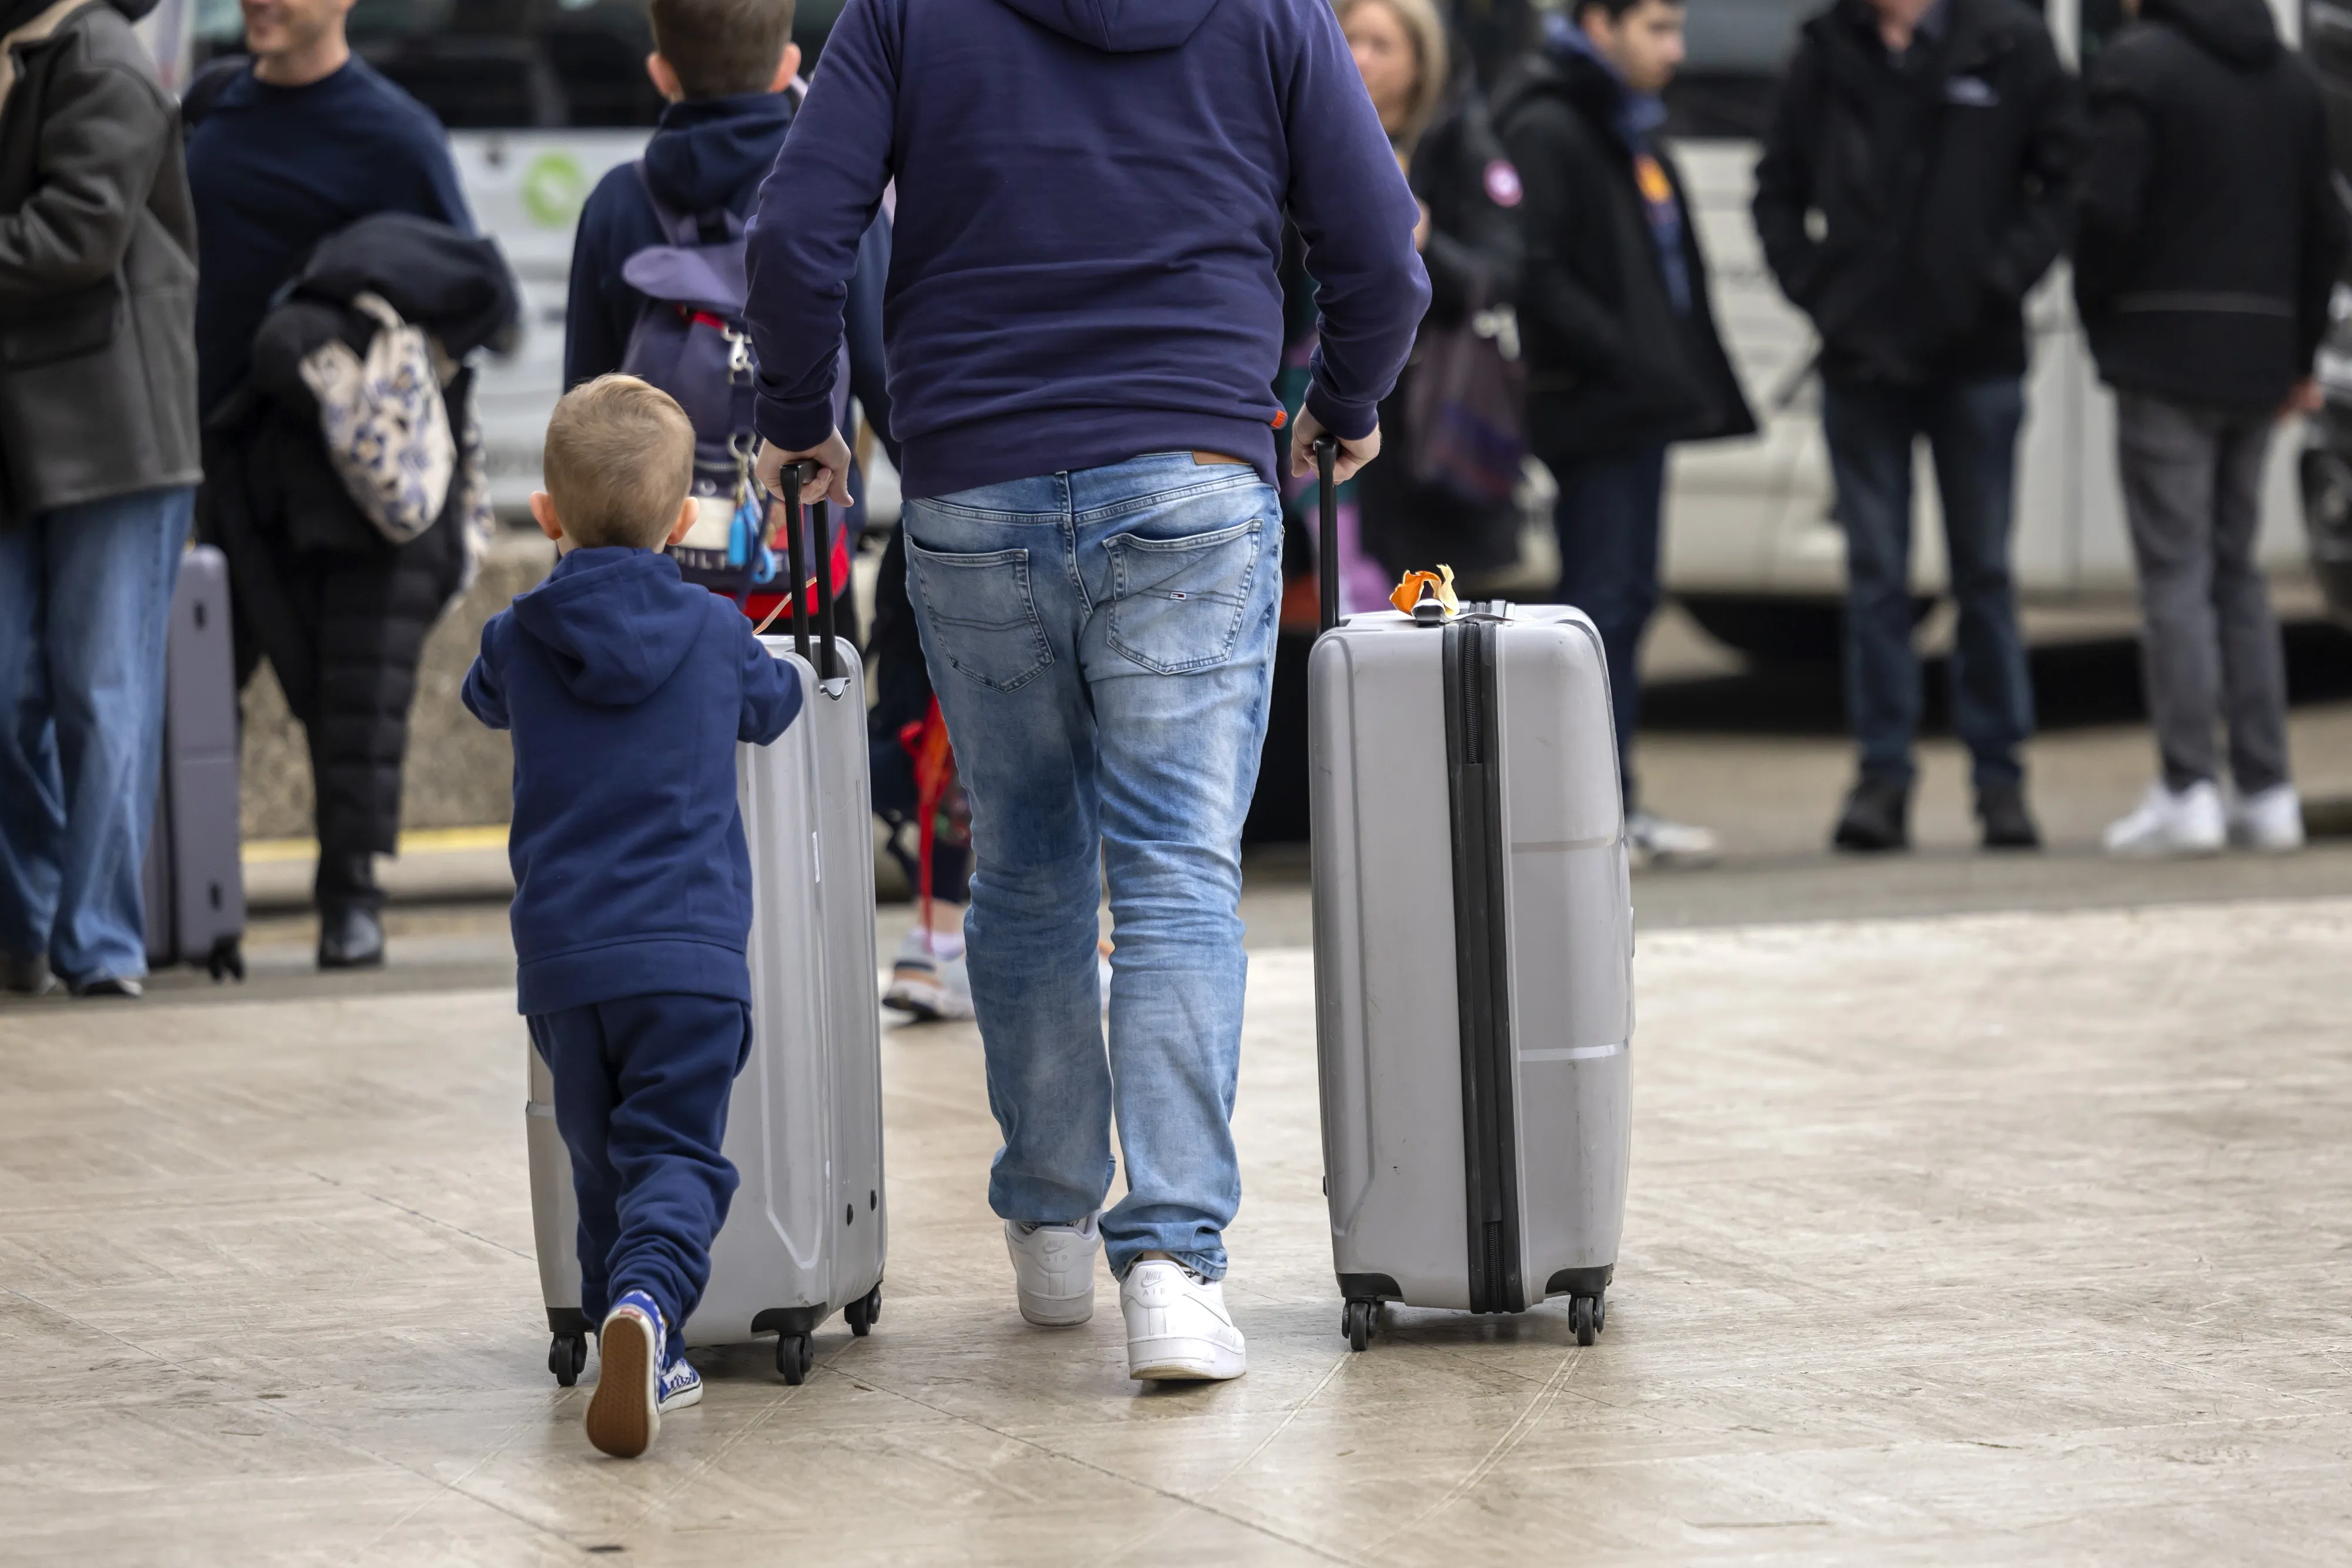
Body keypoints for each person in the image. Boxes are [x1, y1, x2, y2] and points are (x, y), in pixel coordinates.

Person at [744, 0, 1427, 1381]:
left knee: (1029, 865)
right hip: (1189, 474)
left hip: (973, 484)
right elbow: (1381, 259)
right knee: (1174, 873)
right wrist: (1342, 405)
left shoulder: (901, 11)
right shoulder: (1273, 15)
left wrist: (805, 418)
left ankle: (1051, 1224)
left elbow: (793, 234)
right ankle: (1172, 1264)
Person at [462, 375, 803, 1459]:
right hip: (689, 956)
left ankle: (634, 1324)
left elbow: (482, 692)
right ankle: (647, 1313)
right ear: (682, 521)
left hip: (564, 963)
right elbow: (780, 700)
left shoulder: (520, 635)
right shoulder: (712, 631)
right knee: (677, 1160)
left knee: (602, 1160)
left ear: (546, 515)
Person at [186, 0, 479, 969]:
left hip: (347, 469)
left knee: (356, 697)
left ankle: (350, 898)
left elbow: (473, 301)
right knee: (191, 694)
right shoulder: (208, 115)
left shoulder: (398, 136)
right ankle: (195, 906)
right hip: (217, 456)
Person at [1753, 0, 2081, 853]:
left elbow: (2066, 181)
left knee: (1985, 577)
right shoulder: (1824, 51)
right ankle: (1882, 778)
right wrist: (1823, 293)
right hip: (1863, 361)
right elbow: (1776, 188)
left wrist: (1998, 280)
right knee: (1875, 583)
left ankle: (2001, 783)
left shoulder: (2011, 43)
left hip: (1977, 358)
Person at [2074, 0, 2347, 857]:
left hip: (2161, 349)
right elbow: (2327, 227)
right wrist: (2298, 353)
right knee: (2239, 573)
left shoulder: (2138, 66)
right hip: (2261, 354)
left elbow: (2105, 214)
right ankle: (2268, 790)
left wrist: (2104, 326)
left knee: (2175, 576)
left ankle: (2188, 783)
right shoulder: (2295, 79)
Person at [1493, 0, 1756, 867]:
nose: (1677, 51)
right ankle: (1588, 810)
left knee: (1627, 599)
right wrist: (1628, 355)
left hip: (1637, 403)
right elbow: (1536, 270)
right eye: (1658, 29)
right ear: (1598, 24)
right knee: (1601, 603)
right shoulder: (1553, 122)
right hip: (1598, 406)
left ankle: (1615, 801)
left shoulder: (1622, 123)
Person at [0, 0, 201, 1001]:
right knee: (11, 695)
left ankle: (99, 941)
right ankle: (26, 924)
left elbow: (73, 235)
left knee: (100, 691)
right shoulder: (23, 56)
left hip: (116, 434)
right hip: (22, 431)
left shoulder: (102, 58)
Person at [1333, 0, 1527, 594]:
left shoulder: (1458, 145)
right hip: (1309, 405)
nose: (1361, 58)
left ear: (1420, 65)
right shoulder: (1301, 139)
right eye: (1351, 40)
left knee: (1415, 617)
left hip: (1420, 427)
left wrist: (1422, 242)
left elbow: (1499, 274)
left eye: (1381, 45)